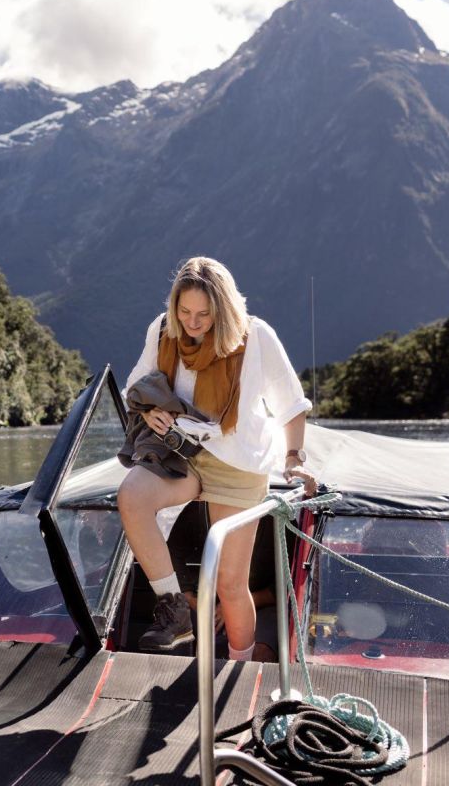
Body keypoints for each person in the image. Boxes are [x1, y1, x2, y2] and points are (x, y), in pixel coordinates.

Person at [118, 256, 316, 661]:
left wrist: (293, 458)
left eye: (204, 314)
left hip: (238, 460)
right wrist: (148, 410)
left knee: (229, 583)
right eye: (184, 311)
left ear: (223, 308)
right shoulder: (162, 329)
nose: (192, 322)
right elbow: (136, 385)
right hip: (182, 453)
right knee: (132, 497)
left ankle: (240, 669)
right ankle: (173, 612)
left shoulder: (256, 335)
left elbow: (291, 404)